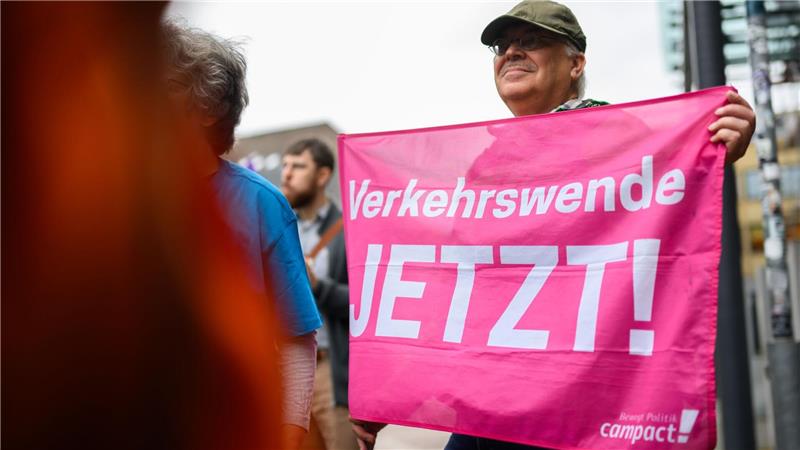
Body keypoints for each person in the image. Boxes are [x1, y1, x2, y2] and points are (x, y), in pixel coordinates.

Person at [350, 1, 756, 449]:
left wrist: (717, 152)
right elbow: (458, 286)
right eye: (503, 47)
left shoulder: (621, 135)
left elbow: (675, 209)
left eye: (531, 42)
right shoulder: (489, 161)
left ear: (576, 63)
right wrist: (390, 391)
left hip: (581, 402)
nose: (511, 54)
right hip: (491, 399)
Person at [161, 21, 322, 450]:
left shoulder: (262, 204)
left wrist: (289, 436)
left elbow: (295, 338)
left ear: (208, 106)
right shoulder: (107, 198)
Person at [281, 138, 358, 450]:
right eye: (285, 165)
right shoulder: (280, 223)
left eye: (298, 166)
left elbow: (365, 303)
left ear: (323, 176)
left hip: (330, 370)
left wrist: (317, 286)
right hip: (283, 371)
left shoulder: (349, 228)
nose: (286, 174)